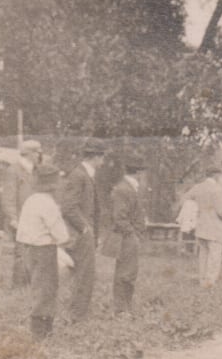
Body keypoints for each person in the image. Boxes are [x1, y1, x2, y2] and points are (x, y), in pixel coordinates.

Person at [16, 164, 70, 339]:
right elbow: (61, 235)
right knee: (46, 289)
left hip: (27, 248)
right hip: (43, 250)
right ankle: (41, 333)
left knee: (38, 288)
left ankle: (42, 330)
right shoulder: (48, 204)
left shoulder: (31, 200)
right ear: (53, 184)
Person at [60, 143, 104, 322]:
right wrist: (85, 228)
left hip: (86, 232)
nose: (103, 161)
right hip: (81, 234)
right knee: (83, 274)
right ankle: (76, 315)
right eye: (102, 157)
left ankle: (78, 313)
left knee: (85, 274)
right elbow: (68, 207)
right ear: (95, 157)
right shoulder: (79, 175)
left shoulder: (85, 175)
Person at [0, 139, 43, 288]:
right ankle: (18, 287)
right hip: (20, 219)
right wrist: (13, 218)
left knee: (34, 253)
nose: (39, 155)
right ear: (29, 154)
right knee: (21, 253)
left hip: (35, 218)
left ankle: (31, 284)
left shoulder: (35, 170)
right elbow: (8, 197)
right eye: (37, 152)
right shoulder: (14, 170)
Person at [107, 159, 147, 314]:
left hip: (130, 235)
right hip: (127, 237)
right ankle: (121, 309)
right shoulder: (124, 189)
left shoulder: (128, 188)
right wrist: (133, 234)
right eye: (143, 172)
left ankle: (125, 307)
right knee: (125, 273)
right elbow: (119, 217)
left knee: (129, 272)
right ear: (138, 173)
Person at [183, 167, 222, 288]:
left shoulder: (198, 187)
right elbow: (221, 211)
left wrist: (196, 211)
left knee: (203, 254)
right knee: (215, 255)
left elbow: (185, 199)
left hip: (201, 226)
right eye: (220, 175)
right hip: (215, 227)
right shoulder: (216, 189)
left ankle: (202, 280)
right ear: (216, 175)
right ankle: (210, 282)